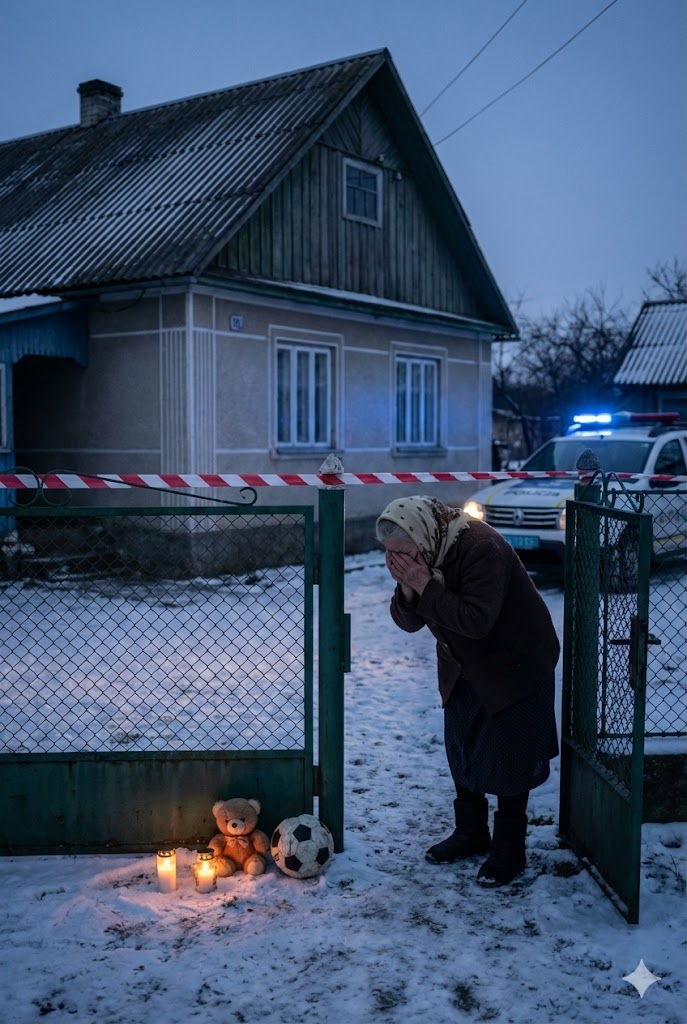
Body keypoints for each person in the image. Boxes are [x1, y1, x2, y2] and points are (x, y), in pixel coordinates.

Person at [376, 495, 560, 887]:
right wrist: (409, 591)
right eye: (391, 555)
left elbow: (476, 621)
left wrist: (423, 584)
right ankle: (471, 833)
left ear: (424, 538)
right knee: (462, 746)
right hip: (463, 663)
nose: (399, 563)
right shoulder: (427, 549)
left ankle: (510, 851)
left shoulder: (481, 549)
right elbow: (408, 622)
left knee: (511, 758)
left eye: (404, 554)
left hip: (516, 662)